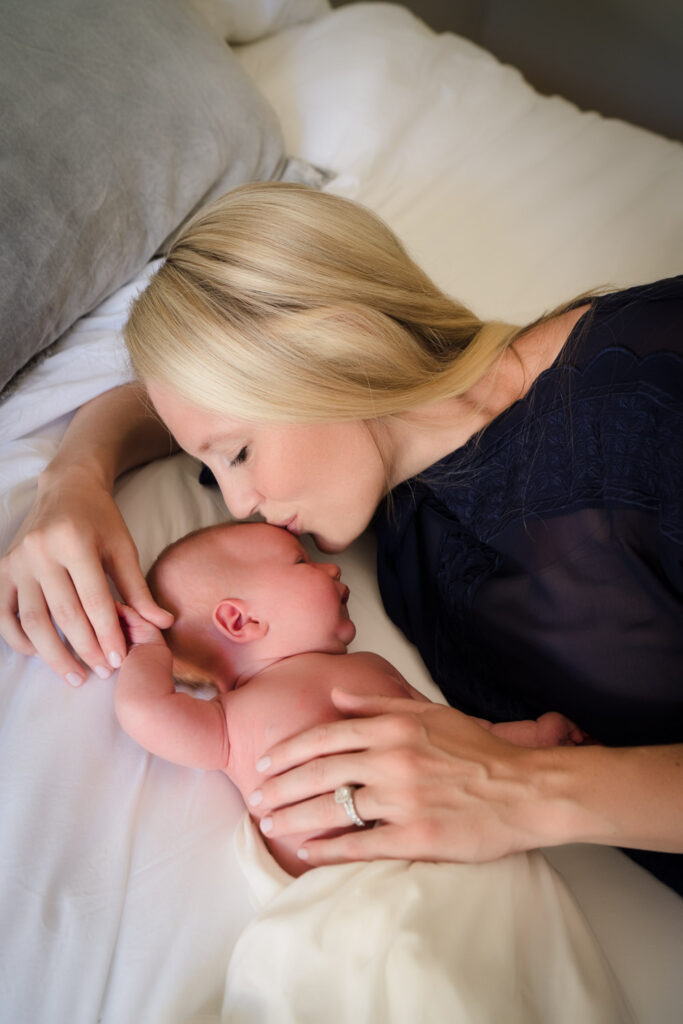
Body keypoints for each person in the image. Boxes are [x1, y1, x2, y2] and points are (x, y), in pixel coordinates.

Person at [0, 182, 680, 893]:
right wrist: (74, 480)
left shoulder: (646, 391)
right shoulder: (403, 520)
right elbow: (153, 405)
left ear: (338, 346)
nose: (239, 504)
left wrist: (528, 791)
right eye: (211, 463)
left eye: (236, 455)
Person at [115, 519, 587, 877]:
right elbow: (146, 710)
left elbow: (456, 738)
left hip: (455, 845)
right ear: (240, 621)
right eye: (301, 561)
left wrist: (530, 737)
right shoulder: (228, 722)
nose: (332, 566)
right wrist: (146, 647)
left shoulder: (372, 668)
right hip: (350, 887)